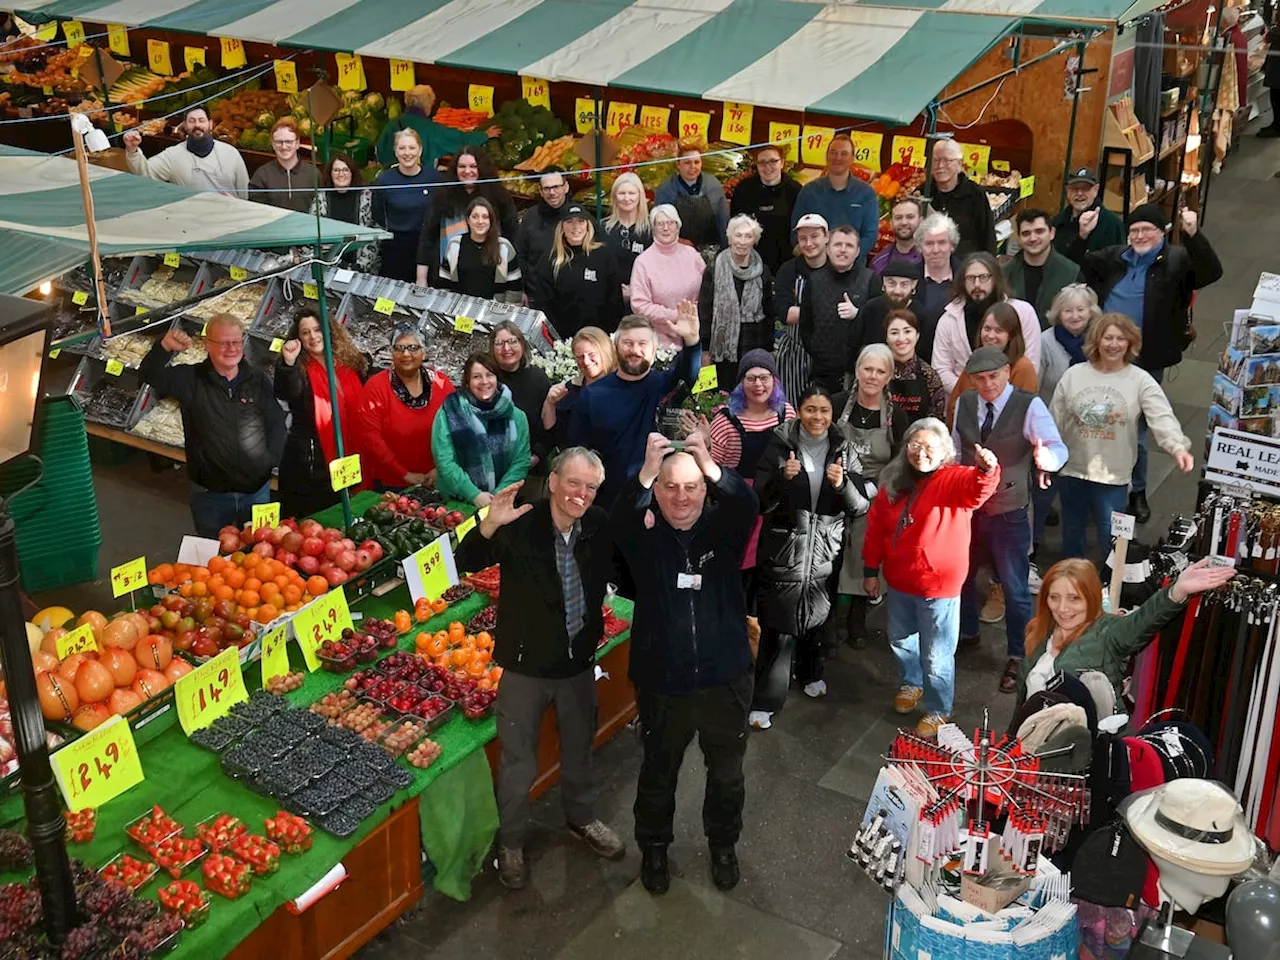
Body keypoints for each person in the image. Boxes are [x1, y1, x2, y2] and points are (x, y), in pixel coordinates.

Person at [456, 459, 625, 891]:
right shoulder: (521, 523)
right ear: (552, 482)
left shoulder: (599, 524)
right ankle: (510, 843)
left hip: (577, 666)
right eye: (573, 482)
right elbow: (465, 563)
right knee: (517, 762)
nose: (580, 494)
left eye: (590, 487)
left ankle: (582, 818)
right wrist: (489, 525)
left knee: (579, 748)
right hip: (524, 668)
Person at [611, 430, 759, 895]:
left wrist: (711, 465)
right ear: (657, 491)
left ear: (705, 490)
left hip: (724, 679)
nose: (681, 497)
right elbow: (619, 521)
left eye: (692, 487)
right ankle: (653, 850)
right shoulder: (645, 539)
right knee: (658, 772)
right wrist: (647, 471)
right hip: (663, 680)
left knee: (728, 775)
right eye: (670, 487)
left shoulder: (724, 531)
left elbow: (747, 506)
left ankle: (723, 845)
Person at [1070, 206, 1222, 522]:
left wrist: (1194, 234)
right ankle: (1096, 479)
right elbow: (1077, 263)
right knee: (1098, 420)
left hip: (1147, 356)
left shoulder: (1177, 260)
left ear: (1162, 232)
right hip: (1105, 354)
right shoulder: (1115, 257)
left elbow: (1210, 272)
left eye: (1147, 230)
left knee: (1135, 428)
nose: (1140, 236)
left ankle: (1136, 491)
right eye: (1135, 230)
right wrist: (1081, 235)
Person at [862, 419, 1000, 736]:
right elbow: (876, 530)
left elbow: (977, 489)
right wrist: (871, 570)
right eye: (915, 445)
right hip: (899, 582)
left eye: (930, 447)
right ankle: (912, 684)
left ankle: (939, 709)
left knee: (937, 654)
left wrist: (986, 470)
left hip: (938, 587)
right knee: (900, 640)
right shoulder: (894, 480)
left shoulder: (953, 479)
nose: (921, 453)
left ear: (945, 453)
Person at [950, 347, 1067, 694]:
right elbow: (958, 450)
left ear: (1007, 373)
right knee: (963, 578)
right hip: (970, 509)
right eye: (980, 379)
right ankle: (968, 633)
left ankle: (1019, 654)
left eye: (994, 376)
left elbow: (1058, 447)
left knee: (1015, 590)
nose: (988, 385)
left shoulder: (1029, 405)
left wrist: (1047, 459)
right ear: (971, 380)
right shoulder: (965, 403)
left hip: (1009, 510)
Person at [753, 386, 871, 725]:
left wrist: (843, 485)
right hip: (784, 550)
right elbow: (759, 501)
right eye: (810, 410)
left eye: (824, 410)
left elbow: (860, 505)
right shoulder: (779, 444)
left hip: (823, 551)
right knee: (778, 625)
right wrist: (781, 479)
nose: (817, 417)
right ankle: (766, 700)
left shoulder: (844, 448)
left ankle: (809, 673)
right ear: (798, 411)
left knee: (817, 617)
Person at [1049, 313, 1194, 564]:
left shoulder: (1140, 380)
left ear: (1130, 343)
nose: (1113, 344)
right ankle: (1071, 584)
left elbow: (1161, 417)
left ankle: (1109, 590)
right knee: (1072, 532)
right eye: (1108, 338)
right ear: (1096, 340)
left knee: (1112, 537)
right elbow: (1054, 419)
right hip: (1072, 470)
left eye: (1120, 339)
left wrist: (1177, 447)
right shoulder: (1074, 374)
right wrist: (1046, 458)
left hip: (1113, 476)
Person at [1016, 557, 1236, 707]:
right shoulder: (1040, 631)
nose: (1062, 608)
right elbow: (1023, 703)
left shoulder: (1108, 633)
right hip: (1032, 752)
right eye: (1054, 597)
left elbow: (1141, 622)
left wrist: (1176, 591)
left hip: (1085, 761)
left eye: (1074, 598)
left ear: (1091, 598)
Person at [139, 315, 285, 537]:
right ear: (207, 344)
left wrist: (268, 462)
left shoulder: (258, 380)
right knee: (213, 559)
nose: (231, 348)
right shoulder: (191, 378)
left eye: (236, 342)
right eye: (223, 343)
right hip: (210, 496)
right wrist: (164, 347)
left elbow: (275, 422)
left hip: (256, 493)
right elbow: (149, 374)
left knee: (261, 556)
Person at [568, 308, 702, 509]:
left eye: (642, 344)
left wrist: (692, 341)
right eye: (628, 343)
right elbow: (577, 449)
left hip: (658, 501)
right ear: (616, 346)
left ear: (655, 348)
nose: (635, 350)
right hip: (608, 502)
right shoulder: (593, 395)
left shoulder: (665, 386)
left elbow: (688, 374)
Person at [707, 350, 796, 614]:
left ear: (775, 380)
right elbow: (714, 467)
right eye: (751, 378)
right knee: (742, 570)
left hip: (777, 500)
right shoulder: (725, 420)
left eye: (765, 377)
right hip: (740, 501)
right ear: (741, 383)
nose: (758, 385)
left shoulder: (786, 414)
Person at [833, 345, 908, 648]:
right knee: (834, 554)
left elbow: (901, 462)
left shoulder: (896, 416)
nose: (872, 377)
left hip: (877, 493)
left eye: (880, 371)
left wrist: (877, 488)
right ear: (857, 370)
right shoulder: (838, 404)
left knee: (867, 556)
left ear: (889, 376)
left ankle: (856, 622)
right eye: (868, 369)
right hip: (836, 485)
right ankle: (825, 623)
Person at [274, 308, 368, 519]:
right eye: (305, 332)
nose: (313, 336)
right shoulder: (299, 369)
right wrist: (287, 363)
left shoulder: (349, 363)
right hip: (312, 463)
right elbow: (286, 391)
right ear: (298, 338)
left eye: (317, 329)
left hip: (350, 455)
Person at [1032, 284, 1100, 560]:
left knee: (1079, 495)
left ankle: (1078, 553)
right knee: (1044, 492)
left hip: (1089, 430)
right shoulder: (1045, 342)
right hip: (1052, 428)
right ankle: (1032, 546)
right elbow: (1035, 386)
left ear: (1091, 311)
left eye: (1080, 310)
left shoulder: (1099, 338)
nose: (1074, 316)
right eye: (1067, 310)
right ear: (1057, 313)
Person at [356, 326, 454, 490]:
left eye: (413, 348)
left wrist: (440, 468)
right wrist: (404, 474)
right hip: (390, 483)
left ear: (424, 353)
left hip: (437, 479)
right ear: (392, 353)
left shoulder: (442, 384)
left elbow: (456, 427)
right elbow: (371, 438)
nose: (406, 354)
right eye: (399, 348)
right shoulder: (375, 387)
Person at [932, 253, 1041, 394]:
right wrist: (973, 394)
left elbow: (1031, 364)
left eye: (983, 277)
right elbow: (941, 369)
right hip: (964, 401)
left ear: (995, 279)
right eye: (971, 278)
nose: (977, 284)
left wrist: (996, 395)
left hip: (1014, 402)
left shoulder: (1023, 312)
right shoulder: (948, 320)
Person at [432, 353, 530, 507]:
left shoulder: (517, 417)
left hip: (500, 503)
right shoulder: (449, 412)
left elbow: (521, 462)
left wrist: (497, 496)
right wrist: (474, 494)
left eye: (489, 375)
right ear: (467, 382)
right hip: (455, 503)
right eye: (477, 377)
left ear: (497, 379)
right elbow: (445, 461)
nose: (484, 382)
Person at [415, 146, 518, 285]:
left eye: (473, 166)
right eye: (462, 166)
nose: (467, 171)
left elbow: (514, 237)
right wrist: (421, 278)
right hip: (448, 276)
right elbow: (428, 236)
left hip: (490, 277)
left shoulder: (499, 197)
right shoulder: (443, 196)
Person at [698, 214, 776, 387]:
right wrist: (705, 350)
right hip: (719, 351)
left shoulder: (763, 270)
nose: (742, 241)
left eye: (748, 236)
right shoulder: (714, 269)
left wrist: (769, 349)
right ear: (730, 238)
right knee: (715, 397)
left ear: (754, 241)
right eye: (738, 235)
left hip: (754, 345)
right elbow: (705, 311)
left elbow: (769, 311)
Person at [528, 204, 626, 336]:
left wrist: (606, 335)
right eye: (569, 222)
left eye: (581, 221)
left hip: (599, 337)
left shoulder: (604, 256)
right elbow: (543, 303)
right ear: (562, 227)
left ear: (588, 226)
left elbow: (615, 301)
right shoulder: (550, 259)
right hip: (562, 339)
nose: (576, 227)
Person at [799, 225, 874, 392]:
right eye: (838, 245)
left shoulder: (870, 280)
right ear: (828, 249)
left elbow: (878, 325)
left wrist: (858, 314)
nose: (843, 250)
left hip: (860, 373)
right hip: (822, 372)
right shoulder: (814, 280)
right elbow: (805, 325)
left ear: (857, 251)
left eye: (849, 246)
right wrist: (818, 352)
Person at [123, 106, 248, 197]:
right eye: (191, 121)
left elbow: (245, 194)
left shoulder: (231, 153)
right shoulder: (172, 156)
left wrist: (238, 206)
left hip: (230, 221)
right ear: (186, 126)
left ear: (211, 125)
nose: (197, 125)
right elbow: (145, 174)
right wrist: (132, 150)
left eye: (201, 120)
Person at [946, 302, 1039, 423]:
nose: (990, 336)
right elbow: (954, 406)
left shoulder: (1023, 367)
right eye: (987, 329)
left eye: (998, 330)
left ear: (1011, 336)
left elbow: (1023, 414)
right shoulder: (975, 361)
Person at [629, 205, 706, 349]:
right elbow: (640, 305)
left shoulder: (693, 255)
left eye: (670, 223)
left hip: (698, 335)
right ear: (653, 228)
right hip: (662, 344)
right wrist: (675, 315)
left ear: (678, 226)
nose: (666, 228)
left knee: (700, 371)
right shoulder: (643, 262)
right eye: (660, 224)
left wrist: (693, 315)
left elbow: (708, 291)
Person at [790, 134, 879, 255]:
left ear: (852, 158)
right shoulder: (809, 191)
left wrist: (845, 257)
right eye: (833, 152)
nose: (838, 157)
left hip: (851, 267)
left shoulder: (866, 193)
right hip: (815, 266)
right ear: (826, 156)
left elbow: (870, 235)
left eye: (844, 153)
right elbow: (796, 231)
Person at [371, 129, 441, 282]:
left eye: (412, 148)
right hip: (395, 248)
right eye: (402, 148)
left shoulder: (434, 178)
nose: (407, 153)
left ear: (420, 150)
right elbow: (377, 213)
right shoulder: (384, 180)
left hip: (428, 247)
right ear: (395, 151)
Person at [375, 83, 497, 170]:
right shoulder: (431, 129)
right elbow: (458, 139)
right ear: (428, 104)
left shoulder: (391, 124)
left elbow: (379, 151)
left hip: (391, 178)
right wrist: (484, 135)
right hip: (418, 181)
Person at [772, 213, 828, 403]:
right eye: (803, 238)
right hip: (794, 352)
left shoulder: (837, 268)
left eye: (814, 237)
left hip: (829, 353)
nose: (809, 243)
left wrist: (803, 312)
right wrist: (826, 310)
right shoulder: (788, 270)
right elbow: (785, 313)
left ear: (826, 237)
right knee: (792, 407)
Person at [489, 321, 551, 476]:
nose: (506, 349)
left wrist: (535, 457)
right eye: (499, 343)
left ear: (522, 345)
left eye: (512, 341)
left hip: (529, 469)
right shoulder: (485, 379)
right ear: (491, 348)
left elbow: (549, 427)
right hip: (489, 470)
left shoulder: (538, 379)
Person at [729, 145, 802, 274]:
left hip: (786, 261)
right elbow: (735, 224)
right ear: (756, 165)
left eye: (773, 161)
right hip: (751, 260)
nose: (767, 167)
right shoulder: (744, 189)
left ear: (782, 163)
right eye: (762, 162)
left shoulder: (795, 190)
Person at [303, 153, 380, 274]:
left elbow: (375, 234)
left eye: (345, 170)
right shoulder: (321, 198)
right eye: (336, 170)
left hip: (361, 269)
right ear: (330, 173)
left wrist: (360, 265)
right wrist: (332, 263)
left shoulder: (366, 197)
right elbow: (312, 234)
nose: (341, 174)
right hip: (329, 268)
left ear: (352, 173)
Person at [542, 326, 618, 450]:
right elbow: (554, 435)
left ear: (605, 352)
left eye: (591, 354)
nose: (586, 362)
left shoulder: (622, 385)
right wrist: (549, 403)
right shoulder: (570, 389)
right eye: (580, 357)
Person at [1003, 209, 1082, 325]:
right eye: (1026, 233)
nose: (1033, 238)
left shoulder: (1071, 273)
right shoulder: (1004, 273)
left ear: (1052, 233)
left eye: (1039, 231)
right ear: (1019, 238)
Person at [437, 197, 522, 302]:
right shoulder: (455, 245)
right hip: (460, 313)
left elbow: (514, 288)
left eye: (485, 217)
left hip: (493, 314)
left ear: (491, 221)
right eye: (475, 217)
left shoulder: (504, 247)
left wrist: (506, 315)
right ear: (468, 220)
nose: (480, 221)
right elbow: (443, 282)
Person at [846, 259, 918, 373]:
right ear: (883, 285)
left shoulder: (923, 315)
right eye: (891, 283)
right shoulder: (870, 308)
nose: (897, 290)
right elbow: (854, 345)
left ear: (914, 286)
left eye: (904, 284)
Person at [653, 142, 730, 249]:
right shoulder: (666, 189)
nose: (692, 167)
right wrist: (676, 240)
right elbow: (659, 225)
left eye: (696, 162)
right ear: (678, 165)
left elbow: (723, 220)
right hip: (677, 249)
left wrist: (726, 247)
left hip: (711, 248)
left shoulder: (713, 184)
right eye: (687, 162)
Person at [927, 139, 995, 256]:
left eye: (947, 160)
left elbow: (988, 238)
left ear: (959, 164)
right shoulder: (923, 193)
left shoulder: (975, 195)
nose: (940, 165)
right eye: (935, 160)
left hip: (966, 266)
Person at [911, 213, 964, 362]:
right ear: (920, 247)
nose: (935, 250)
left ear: (952, 246)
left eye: (942, 242)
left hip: (958, 360)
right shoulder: (909, 278)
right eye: (929, 243)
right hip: (918, 359)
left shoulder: (967, 276)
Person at [514, 168, 578, 280]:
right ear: (540, 191)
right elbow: (520, 253)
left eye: (556, 187)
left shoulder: (579, 217)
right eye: (547, 188)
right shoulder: (531, 216)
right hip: (537, 290)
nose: (552, 193)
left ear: (566, 187)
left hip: (570, 289)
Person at [247, 118, 321, 214]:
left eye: (289, 141)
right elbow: (257, 213)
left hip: (306, 227)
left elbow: (321, 210)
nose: (284, 147)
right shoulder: (261, 176)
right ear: (273, 144)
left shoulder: (314, 174)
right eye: (279, 142)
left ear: (297, 143)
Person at [886, 309, 947, 422]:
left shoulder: (929, 375)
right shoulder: (879, 370)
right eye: (894, 333)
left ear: (917, 335)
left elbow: (937, 419)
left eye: (907, 331)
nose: (901, 338)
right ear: (887, 338)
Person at [1052, 168, 1124, 260]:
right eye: (1074, 188)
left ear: (1096, 190)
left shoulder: (1112, 224)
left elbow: (1118, 263)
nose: (1079, 193)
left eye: (1085, 188)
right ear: (1067, 191)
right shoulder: (1058, 222)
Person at [600, 172, 652, 294]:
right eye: (622, 193)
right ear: (614, 197)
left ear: (640, 196)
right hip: (609, 296)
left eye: (632, 193)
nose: (627, 198)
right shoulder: (602, 228)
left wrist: (635, 290)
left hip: (644, 297)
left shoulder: (651, 229)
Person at [871, 198, 924, 276]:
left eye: (910, 217)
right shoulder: (879, 262)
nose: (904, 222)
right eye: (898, 218)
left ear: (921, 221)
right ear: (891, 223)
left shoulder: (931, 257)